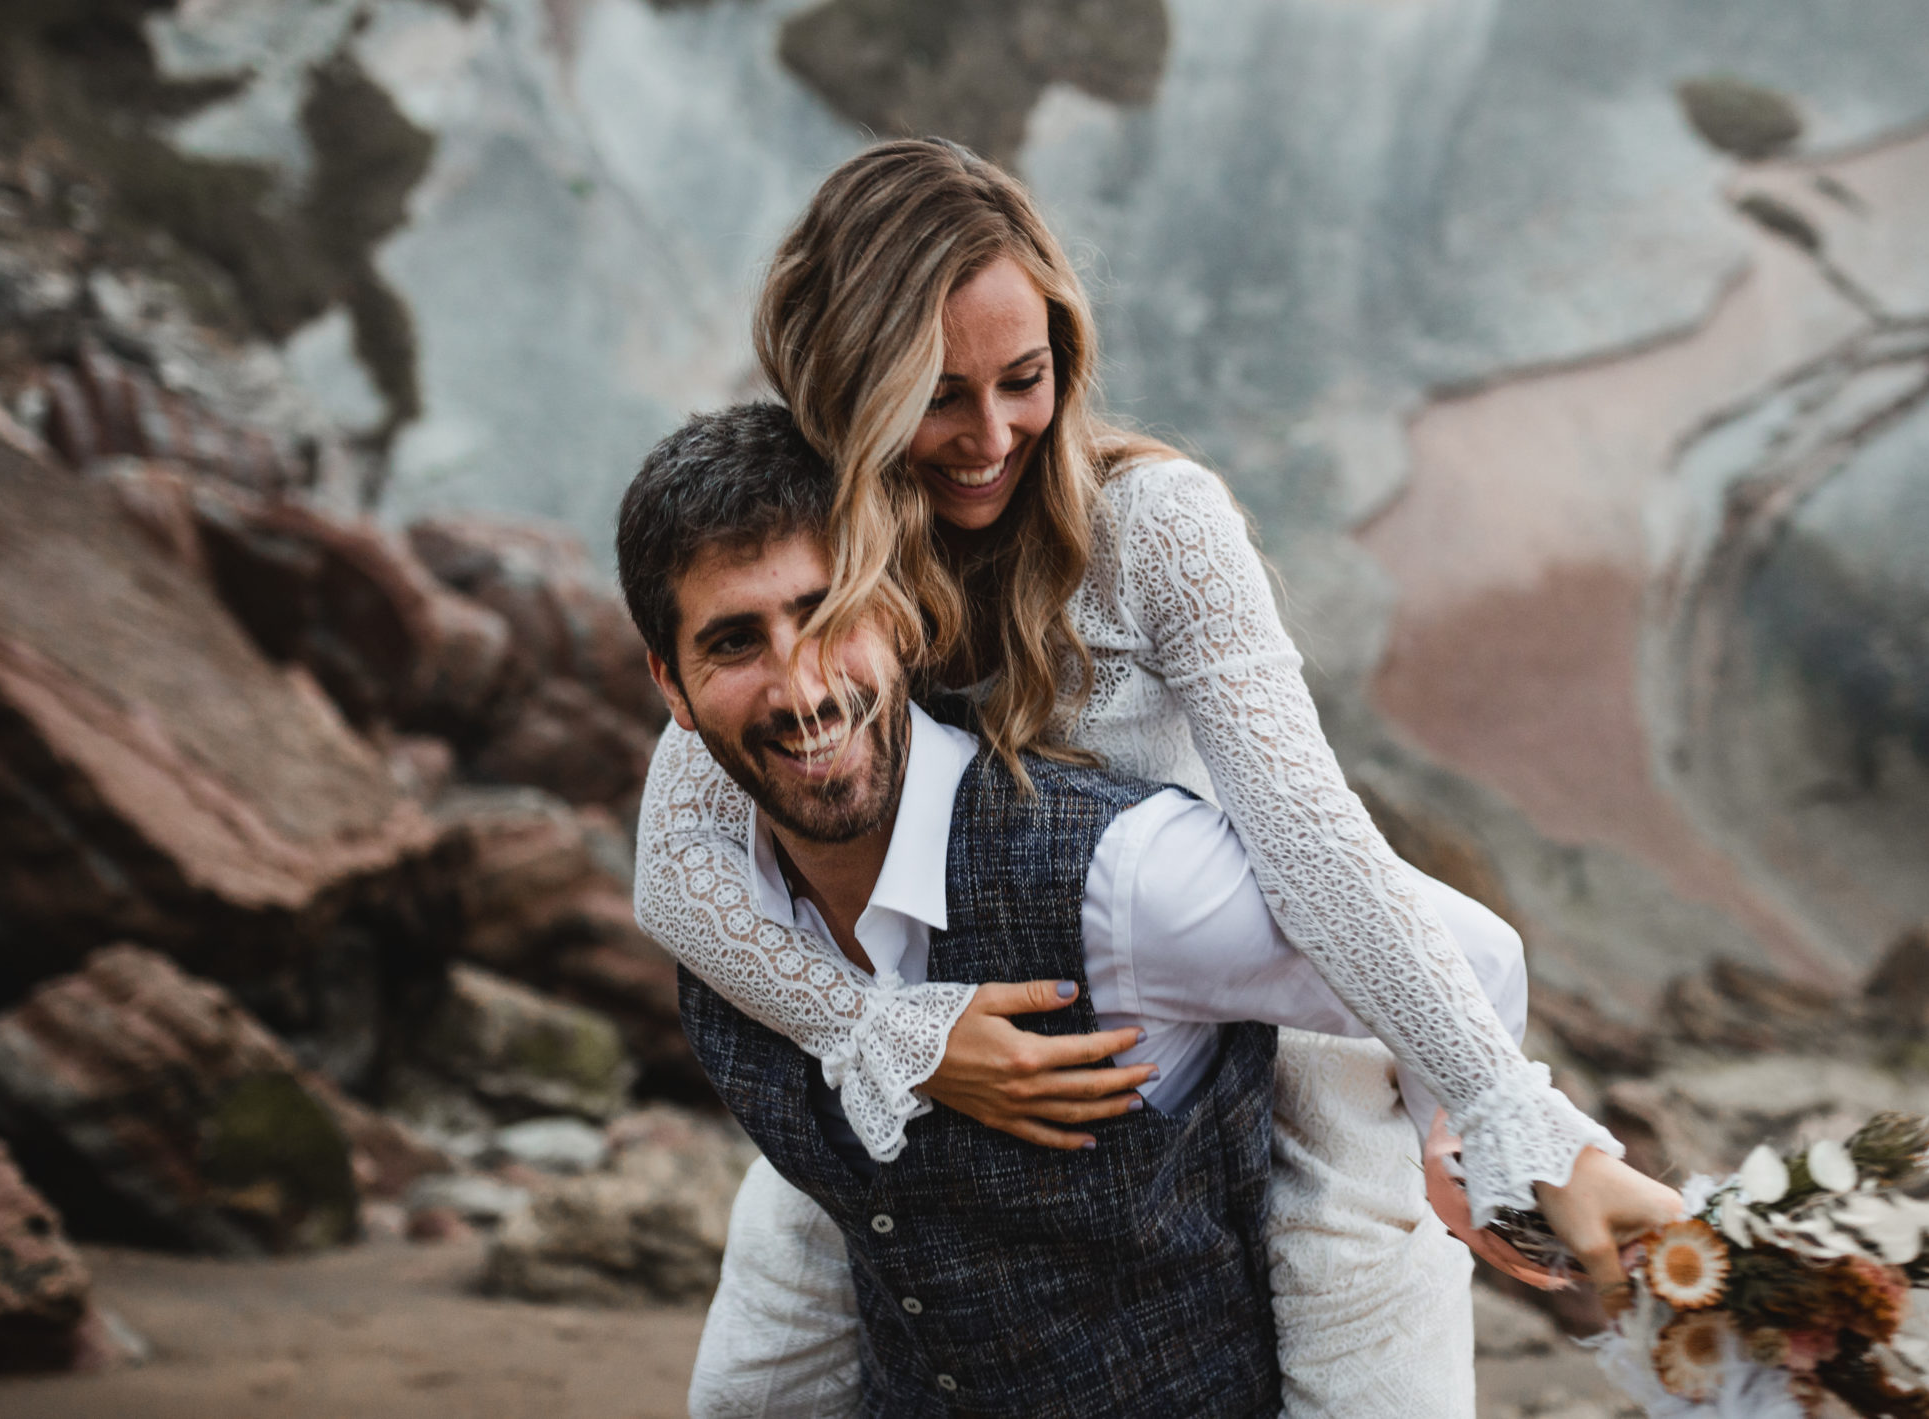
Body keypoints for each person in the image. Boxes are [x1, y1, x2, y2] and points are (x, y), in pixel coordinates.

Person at [634, 140, 1682, 1413]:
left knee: (1358, 1317)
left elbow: (1305, 831)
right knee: (756, 1365)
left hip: (1263, 984)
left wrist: (1480, 1093)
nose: (990, 436)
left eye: (1024, 380)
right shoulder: (823, 544)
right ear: (845, 387)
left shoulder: (1156, 526)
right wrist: (887, 1035)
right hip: (949, 1006)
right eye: (936, 396)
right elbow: (677, 875)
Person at [617, 403, 1541, 1417]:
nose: (800, 689)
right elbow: (661, 885)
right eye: (735, 643)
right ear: (672, 683)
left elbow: (1466, 947)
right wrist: (879, 1028)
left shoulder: (1124, 875)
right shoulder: (718, 867)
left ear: (889, 608)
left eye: (826, 613)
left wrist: (1470, 1118)